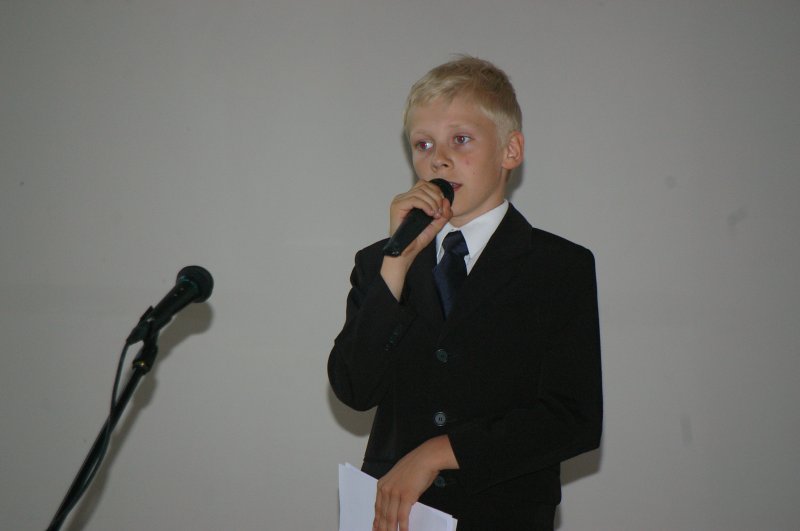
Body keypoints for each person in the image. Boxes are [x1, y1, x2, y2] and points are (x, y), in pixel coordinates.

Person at [328, 56, 602, 531]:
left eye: (461, 139)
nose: (439, 159)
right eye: (423, 144)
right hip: (398, 517)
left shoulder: (558, 266)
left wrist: (440, 452)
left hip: (503, 514)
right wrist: (396, 264)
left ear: (510, 150)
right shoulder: (381, 263)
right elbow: (353, 388)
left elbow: (572, 418)